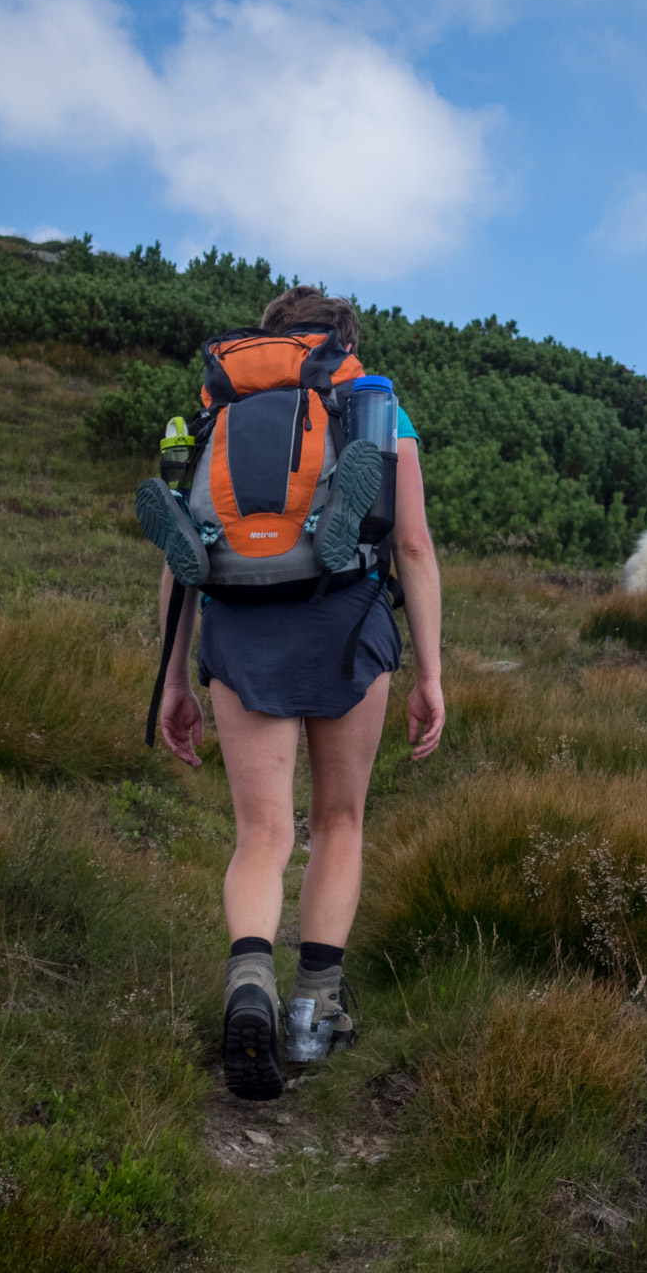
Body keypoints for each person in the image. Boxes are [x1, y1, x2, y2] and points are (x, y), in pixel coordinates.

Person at [150, 286, 445, 1101]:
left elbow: (181, 565)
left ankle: (251, 982)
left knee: (262, 833)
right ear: (341, 340)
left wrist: (176, 676)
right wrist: (432, 673)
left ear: (266, 340)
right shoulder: (373, 405)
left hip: (239, 620)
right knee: (339, 821)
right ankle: (315, 1010)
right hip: (347, 621)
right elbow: (413, 546)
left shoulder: (216, 413)